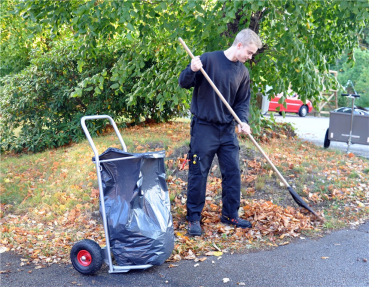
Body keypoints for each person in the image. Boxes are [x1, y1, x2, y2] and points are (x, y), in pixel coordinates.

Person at [178, 29, 262, 236]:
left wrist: (243, 121)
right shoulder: (208, 60)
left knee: (232, 171)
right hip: (204, 127)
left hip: (227, 130)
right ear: (239, 45)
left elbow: (242, 102)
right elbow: (183, 82)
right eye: (250, 53)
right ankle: (194, 218)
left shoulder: (242, 72)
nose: (250, 57)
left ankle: (230, 214)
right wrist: (192, 69)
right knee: (198, 173)